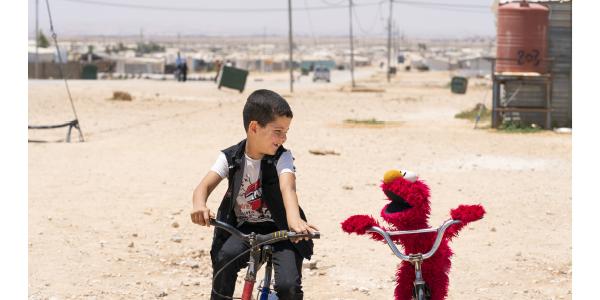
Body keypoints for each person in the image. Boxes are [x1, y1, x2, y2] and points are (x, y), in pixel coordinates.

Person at [191, 89, 318, 300]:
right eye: (278, 131)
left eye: (286, 132)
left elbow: (288, 188)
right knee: (224, 263)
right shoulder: (230, 157)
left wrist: (295, 221)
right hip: (245, 230)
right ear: (254, 127)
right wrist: (199, 205)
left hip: (282, 228)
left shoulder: (283, 157)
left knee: (288, 286)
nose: (283, 138)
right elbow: (202, 188)